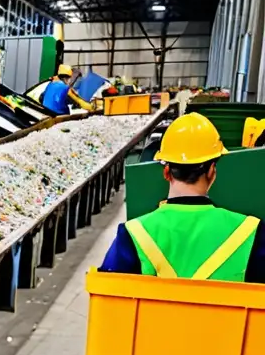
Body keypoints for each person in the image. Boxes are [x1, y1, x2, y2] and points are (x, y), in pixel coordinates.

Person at [100, 112, 265, 282]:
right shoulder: (252, 233)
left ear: (166, 172)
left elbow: (108, 296)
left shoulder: (133, 234)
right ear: (212, 172)